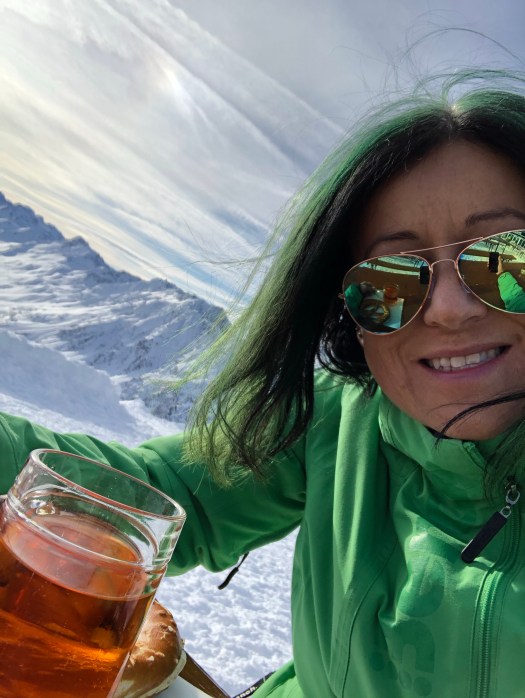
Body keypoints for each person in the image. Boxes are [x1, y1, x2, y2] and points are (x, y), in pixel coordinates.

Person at [2, 69, 525, 697]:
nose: (446, 309)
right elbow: (171, 495)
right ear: (350, 316)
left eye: (506, 261)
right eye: (389, 282)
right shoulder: (340, 418)